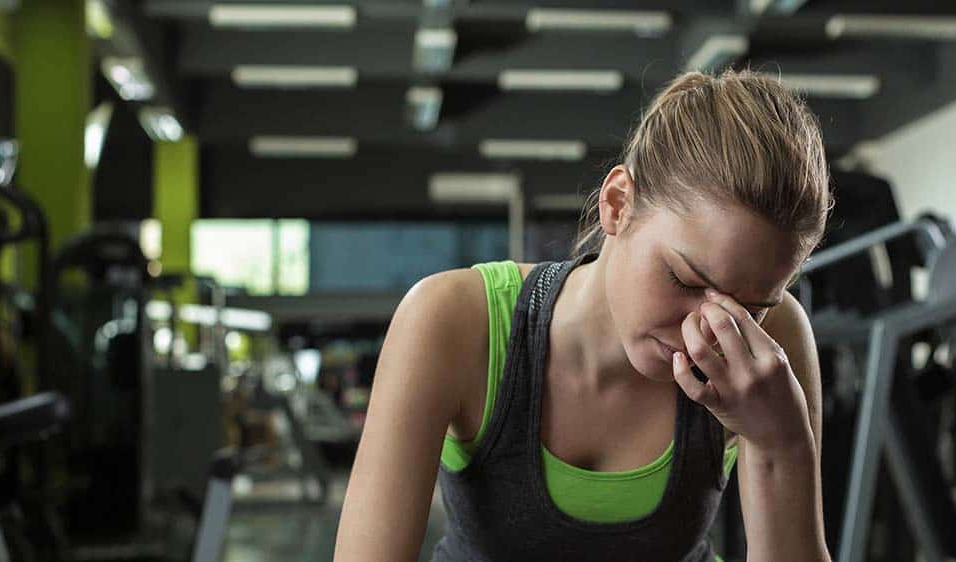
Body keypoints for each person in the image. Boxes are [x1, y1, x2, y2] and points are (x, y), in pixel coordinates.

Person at [334, 68, 833, 562]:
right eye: (684, 280)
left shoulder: (773, 345)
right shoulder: (453, 320)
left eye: (747, 310)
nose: (703, 333)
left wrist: (782, 446)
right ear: (617, 204)